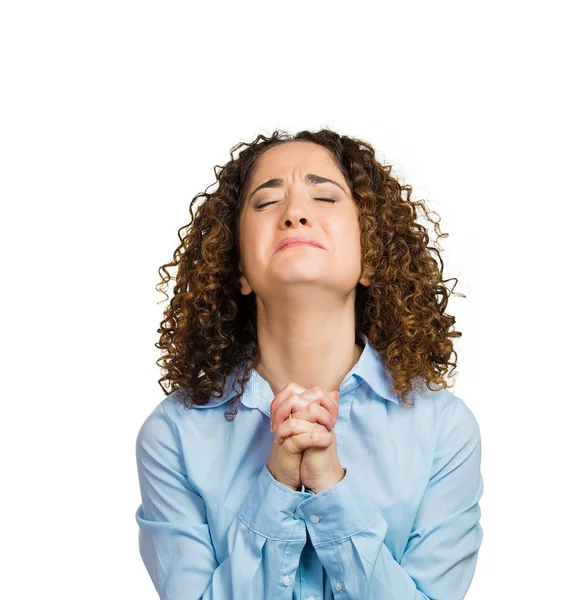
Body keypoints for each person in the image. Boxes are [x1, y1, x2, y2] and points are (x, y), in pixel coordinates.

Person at [135, 128, 484, 599]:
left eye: (324, 197)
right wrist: (277, 485)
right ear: (237, 266)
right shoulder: (173, 435)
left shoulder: (444, 430)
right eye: (265, 203)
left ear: (371, 259)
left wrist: (330, 488)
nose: (295, 214)